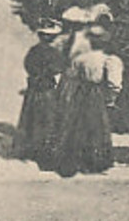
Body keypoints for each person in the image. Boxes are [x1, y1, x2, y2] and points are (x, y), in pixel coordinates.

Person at [52, 25, 122, 177]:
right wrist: (111, 99)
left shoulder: (80, 59)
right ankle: (96, 162)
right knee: (97, 126)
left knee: (78, 125)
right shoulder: (109, 60)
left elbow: (69, 77)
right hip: (96, 93)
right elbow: (114, 83)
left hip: (80, 92)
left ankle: (77, 160)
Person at [17, 20, 66, 167]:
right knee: (48, 121)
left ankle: (29, 150)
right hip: (47, 90)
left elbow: (27, 66)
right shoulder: (53, 53)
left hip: (33, 89)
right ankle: (46, 157)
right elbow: (59, 69)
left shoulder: (33, 51)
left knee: (31, 119)